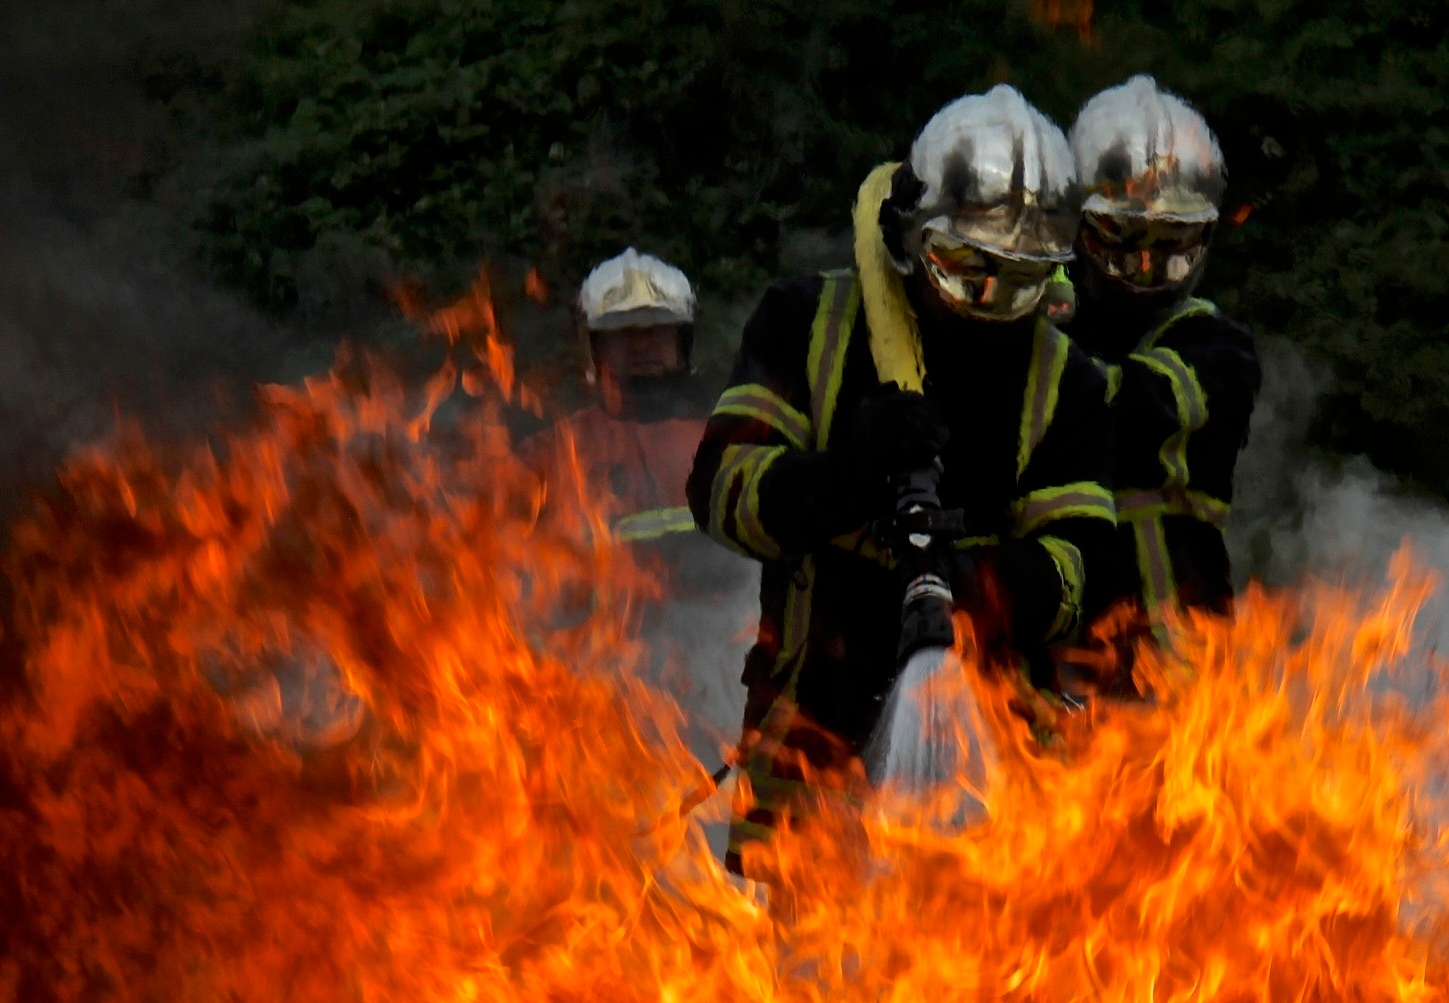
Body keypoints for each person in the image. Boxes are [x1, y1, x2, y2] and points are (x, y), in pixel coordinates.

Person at [690, 86, 1117, 870]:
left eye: (1021, 281)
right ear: (909, 242)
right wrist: (845, 475)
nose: (992, 307)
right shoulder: (804, 323)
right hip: (806, 755)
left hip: (990, 779)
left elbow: (1081, 573)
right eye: (966, 272)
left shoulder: (1068, 384)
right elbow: (720, 492)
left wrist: (968, 583)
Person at [525, 250, 756, 760]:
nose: (642, 345)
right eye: (623, 333)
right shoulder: (550, 456)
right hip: (598, 703)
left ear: (683, 340)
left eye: (656, 330)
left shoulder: (732, 444)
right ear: (594, 348)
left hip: (723, 690)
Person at [1063, 76, 1261, 655]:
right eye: (1124, 239)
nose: (1147, 267)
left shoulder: (1218, 349)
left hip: (1179, 679)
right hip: (1054, 671)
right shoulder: (1048, 328)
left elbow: (1121, 411)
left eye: (1172, 243)